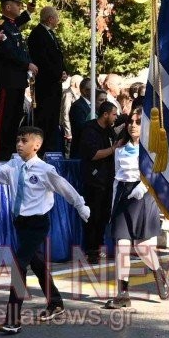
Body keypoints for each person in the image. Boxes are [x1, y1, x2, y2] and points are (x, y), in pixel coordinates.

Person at [0, 125, 89, 334]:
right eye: (18, 140)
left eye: (24, 141)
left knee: (19, 266)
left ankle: (13, 319)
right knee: (37, 263)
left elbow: (65, 187)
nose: (19, 144)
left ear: (36, 145)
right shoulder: (14, 166)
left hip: (38, 223)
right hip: (20, 223)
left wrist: (80, 205)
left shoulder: (45, 170)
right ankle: (55, 302)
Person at [102, 110, 167, 308]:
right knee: (122, 245)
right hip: (123, 194)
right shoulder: (120, 147)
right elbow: (117, 176)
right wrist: (113, 204)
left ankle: (158, 272)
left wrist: (144, 186)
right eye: (131, 121)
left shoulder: (152, 147)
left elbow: (159, 172)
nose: (133, 125)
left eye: (138, 122)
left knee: (141, 247)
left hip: (144, 196)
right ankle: (123, 294)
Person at [0, 0, 34, 159]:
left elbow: (20, 48)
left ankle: (11, 148)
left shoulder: (12, 25)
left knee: (15, 116)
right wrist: (27, 64)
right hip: (8, 78)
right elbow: (9, 51)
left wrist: (29, 12)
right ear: (8, 6)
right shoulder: (1, 25)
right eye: (17, 4)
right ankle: (1, 148)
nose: (20, 7)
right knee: (5, 115)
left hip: (18, 79)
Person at [73, 100, 118, 264]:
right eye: (113, 114)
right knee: (93, 216)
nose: (115, 117)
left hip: (107, 180)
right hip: (94, 180)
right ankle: (91, 251)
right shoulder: (90, 130)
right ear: (105, 114)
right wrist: (114, 149)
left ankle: (99, 248)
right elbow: (93, 154)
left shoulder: (109, 130)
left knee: (104, 216)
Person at [27, 5, 69, 156]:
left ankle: (51, 148)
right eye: (56, 17)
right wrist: (57, 73)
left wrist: (64, 71)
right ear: (50, 18)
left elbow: (58, 56)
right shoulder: (38, 34)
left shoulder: (51, 34)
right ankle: (42, 149)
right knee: (45, 117)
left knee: (53, 118)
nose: (58, 20)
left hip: (54, 84)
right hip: (45, 84)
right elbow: (43, 59)